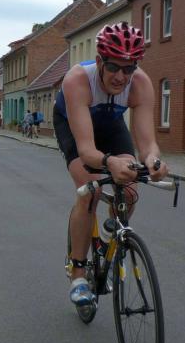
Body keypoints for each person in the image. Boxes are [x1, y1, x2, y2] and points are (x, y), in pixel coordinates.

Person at [54, 22, 168, 308]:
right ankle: (78, 273)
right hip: (74, 127)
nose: (121, 77)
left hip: (110, 124)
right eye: (114, 67)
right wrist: (109, 162)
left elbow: (148, 144)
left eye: (128, 69)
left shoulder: (140, 84)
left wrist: (153, 161)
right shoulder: (77, 80)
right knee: (90, 190)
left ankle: (107, 238)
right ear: (99, 61)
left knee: (129, 190)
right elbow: (87, 151)